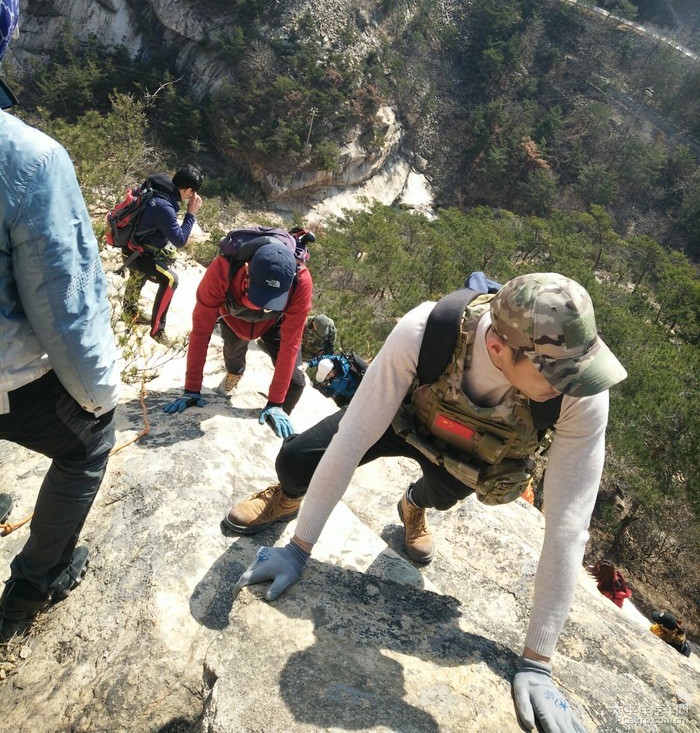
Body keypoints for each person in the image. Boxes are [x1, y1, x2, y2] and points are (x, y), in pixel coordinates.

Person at [228, 272, 628, 732]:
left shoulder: (580, 391)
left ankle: (413, 505)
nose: (570, 385)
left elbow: (568, 524)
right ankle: (288, 499)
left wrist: (537, 661)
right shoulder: (427, 330)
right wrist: (298, 549)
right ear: (498, 348)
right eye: (556, 374)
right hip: (400, 419)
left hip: (463, 456)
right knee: (297, 460)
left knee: (445, 493)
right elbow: (355, 436)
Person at [0, 0, 120, 641]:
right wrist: (101, 393)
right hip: (14, 383)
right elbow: (64, 308)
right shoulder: (29, 160)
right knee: (87, 443)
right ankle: (30, 587)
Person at [164, 232, 313, 441]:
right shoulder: (223, 270)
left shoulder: (300, 281)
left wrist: (276, 403)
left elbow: (290, 344)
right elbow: (200, 332)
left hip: (273, 323)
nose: (262, 304)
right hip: (234, 320)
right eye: (260, 295)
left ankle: (275, 427)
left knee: (296, 384)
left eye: (271, 298)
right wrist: (191, 389)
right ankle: (235, 374)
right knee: (234, 363)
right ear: (246, 270)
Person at [121, 165, 203, 343]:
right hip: (139, 255)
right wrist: (191, 214)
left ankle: (128, 310)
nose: (191, 196)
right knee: (171, 280)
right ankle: (158, 330)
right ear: (189, 190)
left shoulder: (159, 190)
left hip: (132, 249)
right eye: (192, 193)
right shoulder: (164, 206)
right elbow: (180, 240)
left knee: (149, 263)